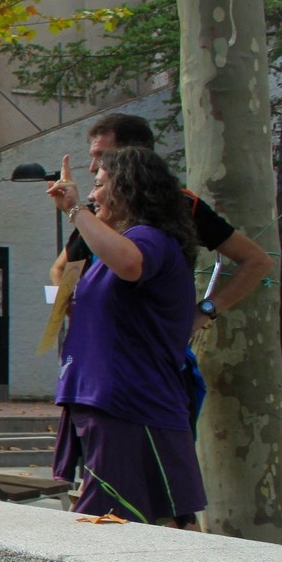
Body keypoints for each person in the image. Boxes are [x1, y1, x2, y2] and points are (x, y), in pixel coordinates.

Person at [44, 147, 206, 527]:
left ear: (128, 190)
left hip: (130, 405)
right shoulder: (120, 245)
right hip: (108, 404)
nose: (91, 195)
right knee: (156, 521)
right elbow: (70, 274)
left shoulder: (149, 239)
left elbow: (130, 263)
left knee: (117, 524)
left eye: (99, 185)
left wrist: (76, 210)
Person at [50, 113, 274, 332]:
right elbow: (61, 270)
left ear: (136, 156)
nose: (92, 167)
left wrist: (205, 312)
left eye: (102, 157)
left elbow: (257, 260)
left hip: (160, 346)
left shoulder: (182, 206)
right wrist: (80, 322)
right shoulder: (97, 212)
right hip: (112, 348)